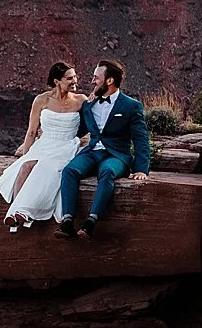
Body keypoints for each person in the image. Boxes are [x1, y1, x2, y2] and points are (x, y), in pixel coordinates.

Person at [59, 58, 152, 235]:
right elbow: (78, 130)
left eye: (96, 78)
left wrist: (141, 169)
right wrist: (49, 136)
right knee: (69, 170)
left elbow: (141, 139)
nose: (93, 81)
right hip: (92, 152)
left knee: (107, 172)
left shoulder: (131, 106)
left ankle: (91, 222)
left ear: (109, 81)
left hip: (116, 156)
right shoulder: (88, 104)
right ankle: (67, 221)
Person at [0, 61, 83, 230]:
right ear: (57, 81)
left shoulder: (81, 100)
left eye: (75, 76)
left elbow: (93, 126)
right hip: (44, 144)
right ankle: (15, 214)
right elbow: (31, 131)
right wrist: (25, 154)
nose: (75, 81)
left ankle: (23, 213)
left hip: (66, 146)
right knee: (26, 167)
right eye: (69, 78)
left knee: (46, 168)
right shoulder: (41, 100)